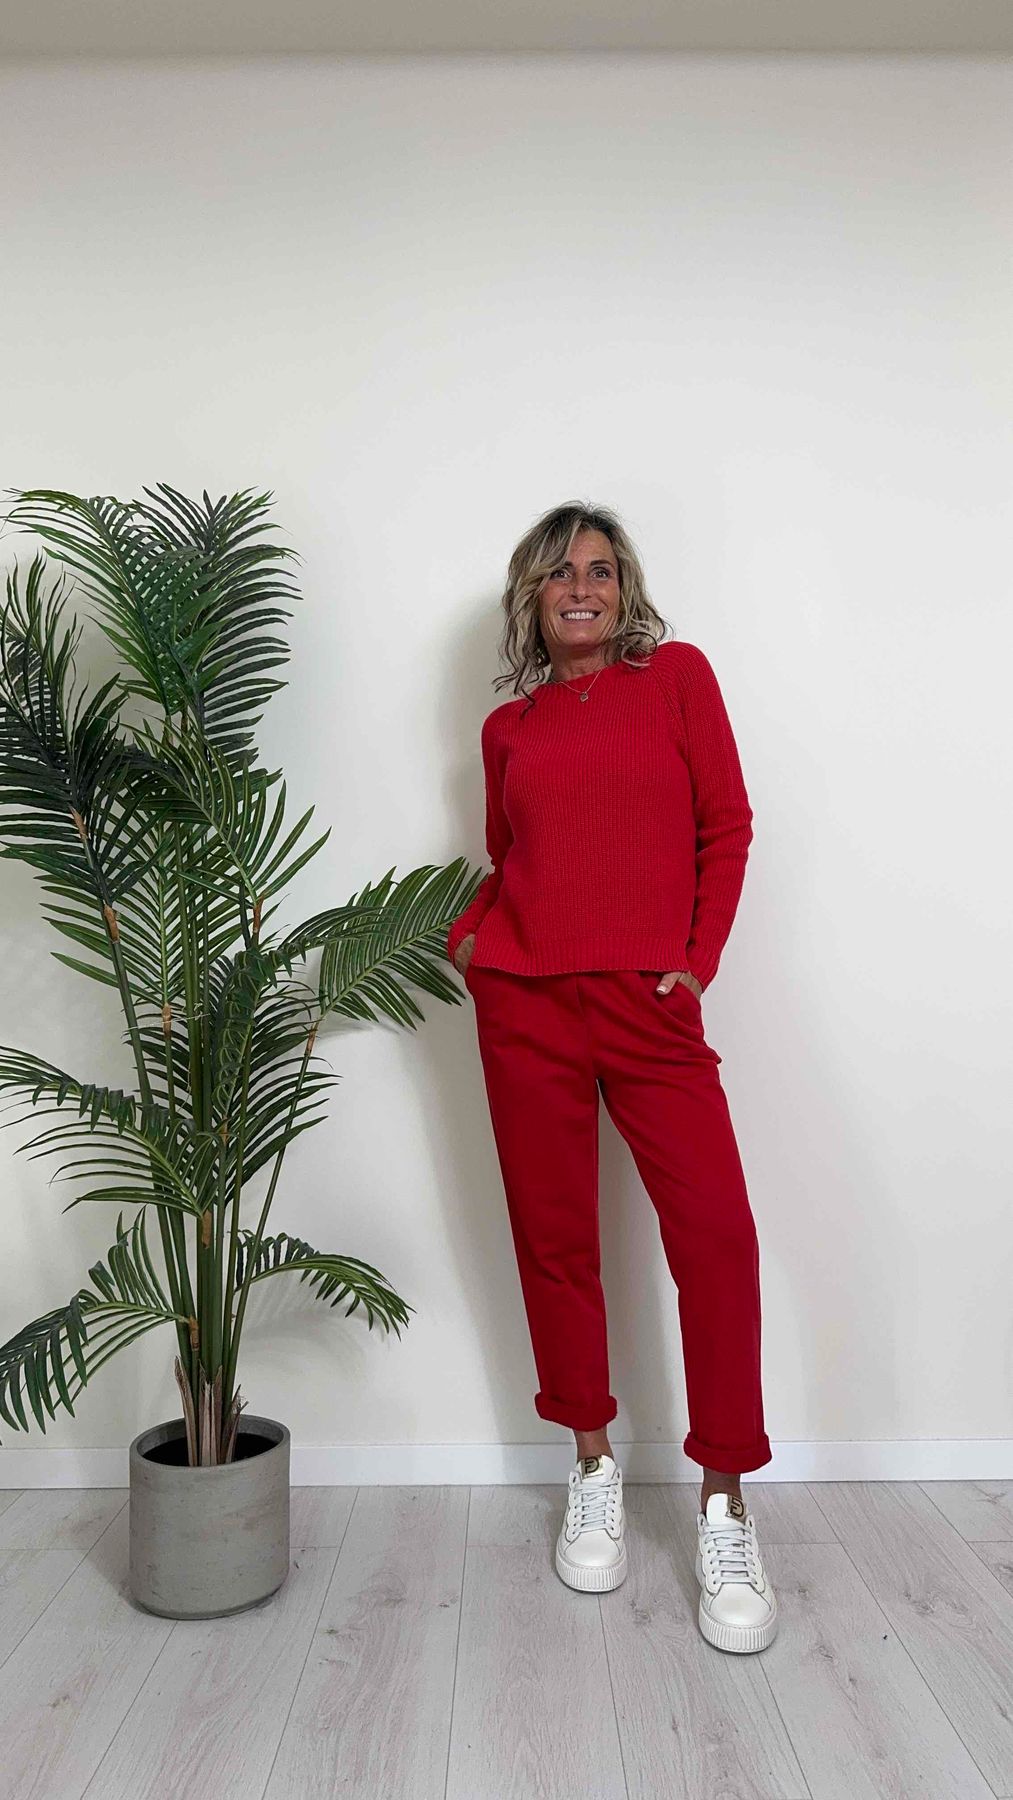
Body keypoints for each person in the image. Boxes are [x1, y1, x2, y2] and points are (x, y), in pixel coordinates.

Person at [446, 500, 777, 1653]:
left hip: (649, 1004)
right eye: (558, 574)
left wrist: (695, 962)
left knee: (716, 1238)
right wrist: (473, 944)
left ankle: (725, 1502)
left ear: (622, 588)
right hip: (526, 1006)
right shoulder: (508, 728)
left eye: (597, 569)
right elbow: (510, 860)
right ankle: (589, 1464)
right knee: (556, 1243)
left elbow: (725, 826)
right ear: (531, 599)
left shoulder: (676, 679)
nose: (579, 587)